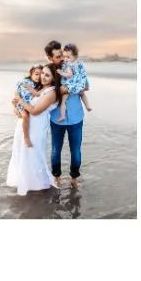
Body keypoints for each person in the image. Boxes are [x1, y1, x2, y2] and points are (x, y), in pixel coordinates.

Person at [6, 63, 57, 195]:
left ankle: (38, 184)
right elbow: (20, 97)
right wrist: (16, 106)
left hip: (36, 128)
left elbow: (34, 111)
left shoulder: (51, 93)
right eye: (42, 74)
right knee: (22, 155)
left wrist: (20, 101)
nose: (43, 77)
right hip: (23, 126)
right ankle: (24, 181)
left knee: (34, 155)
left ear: (54, 77)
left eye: (47, 75)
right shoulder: (39, 88)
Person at [49, 42, 86, 183]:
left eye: (64, 56)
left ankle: (73, 178)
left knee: (75, 150)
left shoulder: (76, 67)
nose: (63, 59)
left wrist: (69, 89)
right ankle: (56, 177)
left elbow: (86, 85)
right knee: (56, 149)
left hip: (76, 116)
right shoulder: (52, 70)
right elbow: (40, 85)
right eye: (60, 56)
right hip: (57, 117)